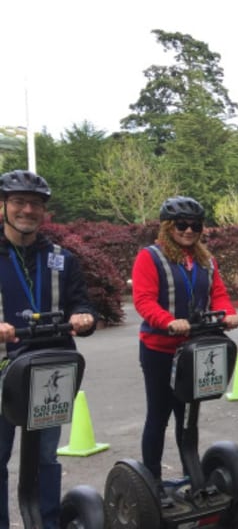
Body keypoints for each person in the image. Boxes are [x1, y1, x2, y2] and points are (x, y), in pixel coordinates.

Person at [0, 170, 96, 528]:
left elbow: (82, 303)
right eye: (19, 202)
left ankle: (47, 522)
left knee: (45, 456)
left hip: (49, 371)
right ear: (3, 207)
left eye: (36, 204)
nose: (28, 210)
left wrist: (84, 317)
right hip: (3, 371)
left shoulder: (61, 259)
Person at [132, 196, 238, 501]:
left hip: (195, 348)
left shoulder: (206, 259)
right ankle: (152, 483)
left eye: (195, 225)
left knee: (188, 415)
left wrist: (226, 313)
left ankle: (193, 477)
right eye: (181, 224)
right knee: (159, 414)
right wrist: (168, 321)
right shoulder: (150, 257)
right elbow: (143, 300)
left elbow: (218, 294)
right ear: (168, 226)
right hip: (160, 349)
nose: (189, 230)